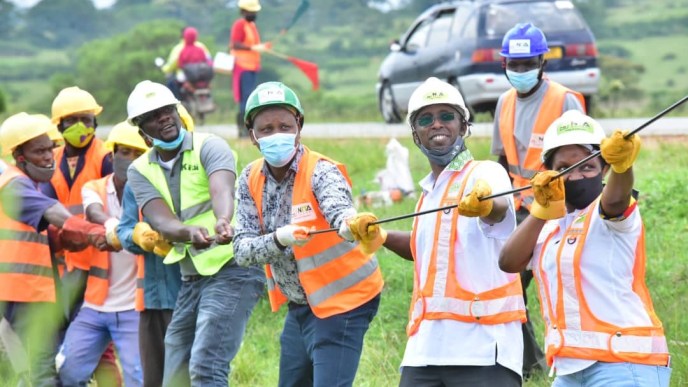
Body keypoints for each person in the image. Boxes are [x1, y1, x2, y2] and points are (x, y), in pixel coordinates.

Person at [352, 77, 525, 386]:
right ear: (415, 134)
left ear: (463, 126)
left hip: (483, 350)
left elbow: (499, 208)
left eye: (447, 116)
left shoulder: (485, 173)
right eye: (425, 119)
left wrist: (487, 207)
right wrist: (384, 237)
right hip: (425, 350)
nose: (437, 125)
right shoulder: (428, 193)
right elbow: (427, 249)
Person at [499, 110, 671, 386]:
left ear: (603, 169)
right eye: (565, 169)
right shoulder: (548, 224)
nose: (577, 176)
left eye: (588, 167)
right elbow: (509, 262)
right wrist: (541, 210)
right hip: (570, 369)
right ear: (549, 174)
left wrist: (622, 165)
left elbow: (615, 201)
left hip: (624, 363)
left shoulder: (612, 213)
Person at [233, 81, 383, 387]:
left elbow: (339, 208)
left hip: (345, 299)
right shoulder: (249, 178)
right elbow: (242, 250)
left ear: (299, 126)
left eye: (285, 126)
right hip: (302, 305)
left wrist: (348, 224)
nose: (277, 135)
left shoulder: (321, 170)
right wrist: (279, 239)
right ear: (252, 135)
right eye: (266, 128)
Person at [125, 80, 264, 386]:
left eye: (167, 110)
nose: (163, 117)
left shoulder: (209, 145)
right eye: (153, 116)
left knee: (206, 364)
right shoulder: (139, 171)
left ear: (177, 111)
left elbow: (221, 189)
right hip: (192, 277)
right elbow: (161, 221)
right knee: (175, 368)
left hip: (234, 269)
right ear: (142, 131)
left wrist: (223, 219)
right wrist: (188, 232)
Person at [491, 22, 586, 376]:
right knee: (509, 283)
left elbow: (584, 161)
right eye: (514, 65)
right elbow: (501, 161)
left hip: (557, 208)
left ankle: (552, 359)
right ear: (504, 64)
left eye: (527, 63)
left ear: (542, 61)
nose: (520, 71)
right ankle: (530, 365)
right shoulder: (503, 102)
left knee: (556, 282)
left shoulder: (565, 100)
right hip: (517, 208)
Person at [0, 112, 108, 386]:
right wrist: (96, 232)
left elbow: (43, 238)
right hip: (24, 294)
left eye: (51, 148)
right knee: (43, 371)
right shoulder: (14, 185)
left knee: (40, 369)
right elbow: (51, 212)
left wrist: (72, 239)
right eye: (40, 152)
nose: (49, 156)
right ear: (19, 156)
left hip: (34, 290)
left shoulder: (25, 182)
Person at [57, 121, 148, 386]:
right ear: (112, 155)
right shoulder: (95, 188)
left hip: (134, 306)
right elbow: (93, 210)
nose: (130, 159)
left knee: (139, 377)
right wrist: (113, 227)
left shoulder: (150, 192)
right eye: (125, 152)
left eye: (138, 153)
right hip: (95, 306)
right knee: (68, 370)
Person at [40, 86, 121, 385]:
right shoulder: (53, 158)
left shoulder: (106, 157)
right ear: (59, 125)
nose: (81, 127)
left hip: (102, 261)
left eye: (86, 120)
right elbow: (45, 204)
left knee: (101, 343)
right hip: (67, 263)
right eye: (72, 120)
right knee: (72, 336)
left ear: (96, 123)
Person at [115, 121, 181, 387]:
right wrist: (137, 237)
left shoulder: (196, 173)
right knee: (153, 378)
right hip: (152, 299)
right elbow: (124, 228)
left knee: (189, 374)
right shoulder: (137, 179)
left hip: (188, 294)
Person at [229, 0, 271, 137]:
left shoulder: (251, 25)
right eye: (251, 11)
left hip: (252, 67)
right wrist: (252, 48)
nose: (253, 14)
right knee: (245, 99)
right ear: (243, 11)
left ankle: (247, 129)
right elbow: (235, 44)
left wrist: (262, 47)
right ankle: (243, 130)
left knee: (250, 97)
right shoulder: (239, 25)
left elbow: (253, 44)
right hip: (242, 67)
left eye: (254, 12)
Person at [161, 27, 210, 100]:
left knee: (171, 83)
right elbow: (207, 60)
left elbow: (179, 64)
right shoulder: (201, 48)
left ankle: (175, 103)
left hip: (186, 77)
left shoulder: (181, 49)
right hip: (200, 76)